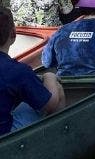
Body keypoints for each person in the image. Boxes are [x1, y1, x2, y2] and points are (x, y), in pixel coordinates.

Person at [0, 7, 65, 135]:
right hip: (4, 135)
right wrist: (49, 77)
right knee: (56, 89)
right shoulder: (17, 70)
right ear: (13, 34)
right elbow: (50, 104)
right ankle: (59, 135)